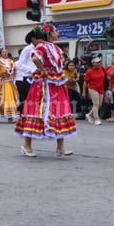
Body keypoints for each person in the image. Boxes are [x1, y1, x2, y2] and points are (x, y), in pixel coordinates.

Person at [15, 23, 77, 157]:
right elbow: (35, 58)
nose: (58, 33)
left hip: (56, 83)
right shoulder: (42, 46)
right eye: (56, 31)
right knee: (36, 111)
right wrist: (43, 70)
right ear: (49, 33)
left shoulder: (56, 48)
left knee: (59, 111)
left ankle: (60, 147)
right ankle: (27, 146)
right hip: (43, 83)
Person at [0, 48, 19, 123]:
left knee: (9, 98)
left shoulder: (11, 61)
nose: (5, 53)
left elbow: (14, 70)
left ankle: (10, 117)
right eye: (3, 52)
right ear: (0, 53)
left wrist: (12, 77)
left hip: (8, 82)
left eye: (6, 52)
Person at [82, 55, 106, 125]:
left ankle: (89, 115)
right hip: (92, 88)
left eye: (99, 62)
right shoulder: (89, 71)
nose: (98, 63)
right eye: (96, 62)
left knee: (99, 104)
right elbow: (85, 82)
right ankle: (96, 119)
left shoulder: (102, 68)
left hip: (101, 88)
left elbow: (106, 75)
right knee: (96, 103)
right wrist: (84, 92)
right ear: (93, 63)